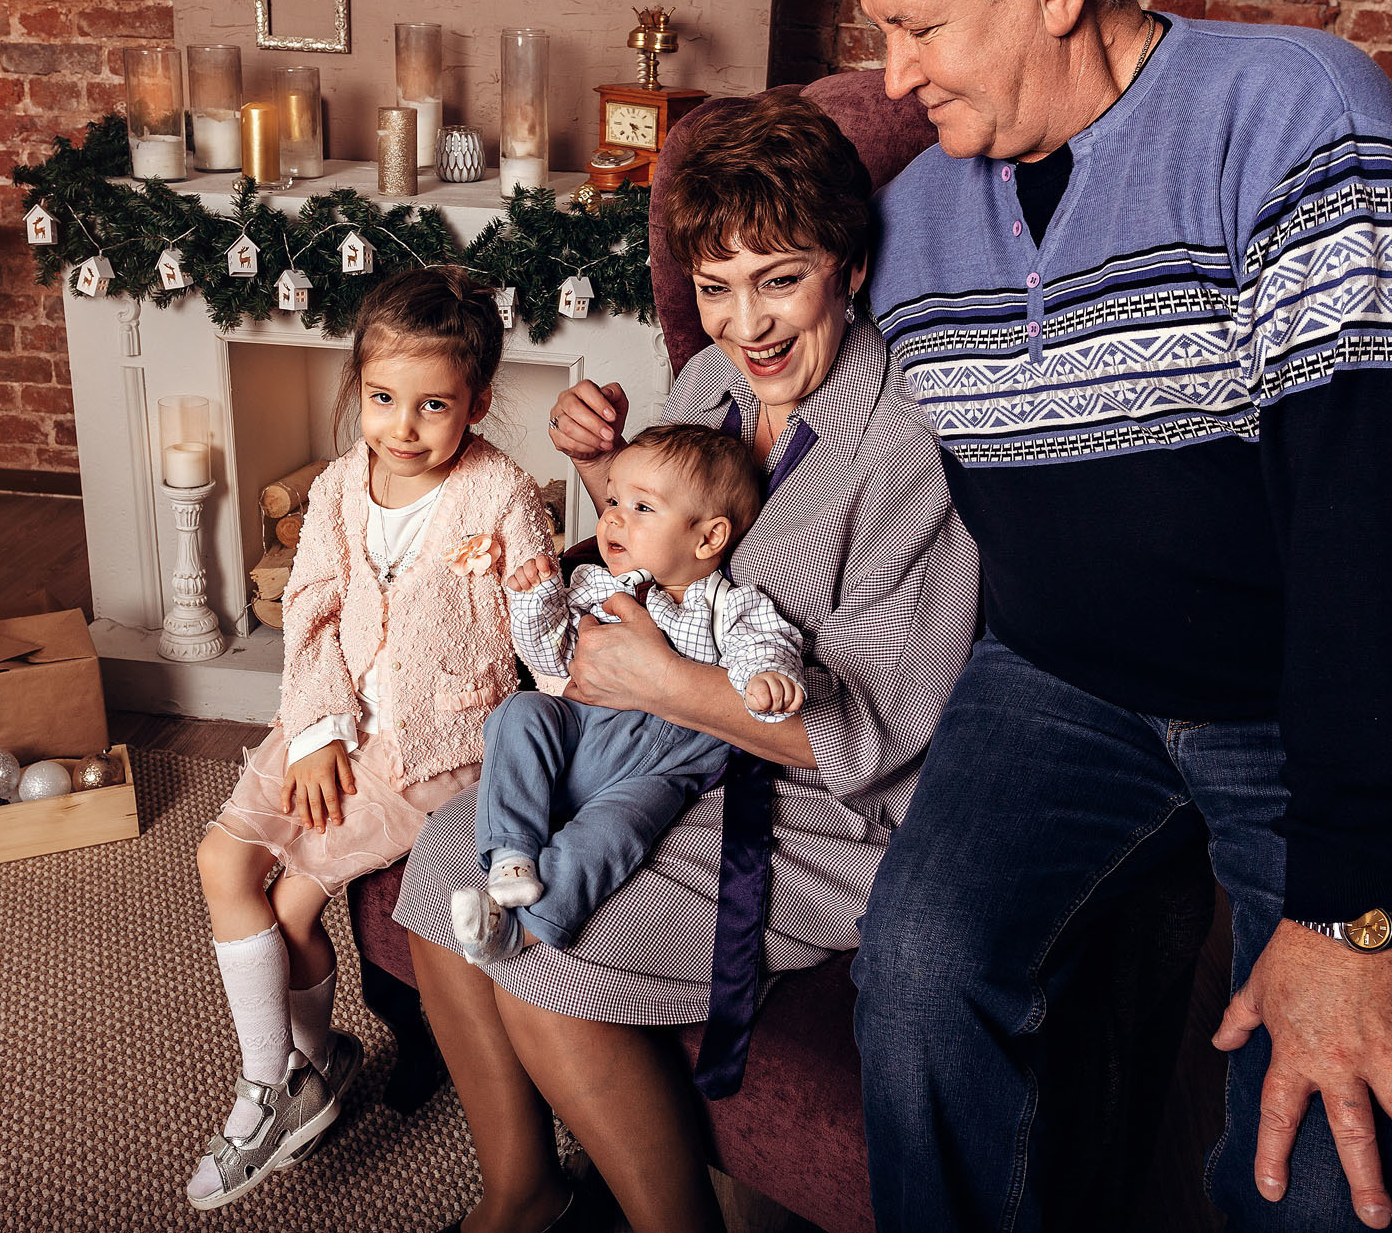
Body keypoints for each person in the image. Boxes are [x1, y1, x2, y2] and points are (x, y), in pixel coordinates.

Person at [822, 0, 1392, 1228]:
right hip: (1056, 681)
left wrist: (1347, 908)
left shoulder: (1297, 117)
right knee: (919, 979)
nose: (892, 75)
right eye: (882, 31)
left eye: (919, 25)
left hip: (1299, 702)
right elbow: (799, 389)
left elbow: (1385, 547)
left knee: (1320, 1185)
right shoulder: (917, 217)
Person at [394, 91, 981, 1233]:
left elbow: (881, 735)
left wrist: (661, 681)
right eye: (717, 287)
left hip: (816, 811)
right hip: (656, 747)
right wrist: (605, 474)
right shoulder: (712, 382)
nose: (746, 324)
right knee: (443, 862)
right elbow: (671, 554)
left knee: (552, 951)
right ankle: (521, 1195)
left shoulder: (910, 442)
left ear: (850, 268)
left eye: (780, 279)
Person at [186, 268, 557, 1210]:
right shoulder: (341, 484)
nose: (403, 426)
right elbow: (311, 609)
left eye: (434, 405)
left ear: (476, 402)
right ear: (358, 386)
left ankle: (286, 1082)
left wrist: (563, 752)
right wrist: (314, 732)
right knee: (221, 861)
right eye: (384, 398)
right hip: (331, 715)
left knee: (295, 908)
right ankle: (289, 1076)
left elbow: (543, 633)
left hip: (430, 747)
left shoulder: (502, 494)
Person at [455, 423, 807, 966]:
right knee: (519, 713)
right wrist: (536, 600)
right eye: (614, 500)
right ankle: (511, 856)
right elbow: (551, 656)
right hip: (583, 728)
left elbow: (764, 644)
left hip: (661, 768)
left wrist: (767, 678)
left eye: (641, 507)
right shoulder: (596, 586)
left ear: (708, 539)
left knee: (612, 835)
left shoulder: (725, 605)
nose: (613, 517)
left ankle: (521, 933)